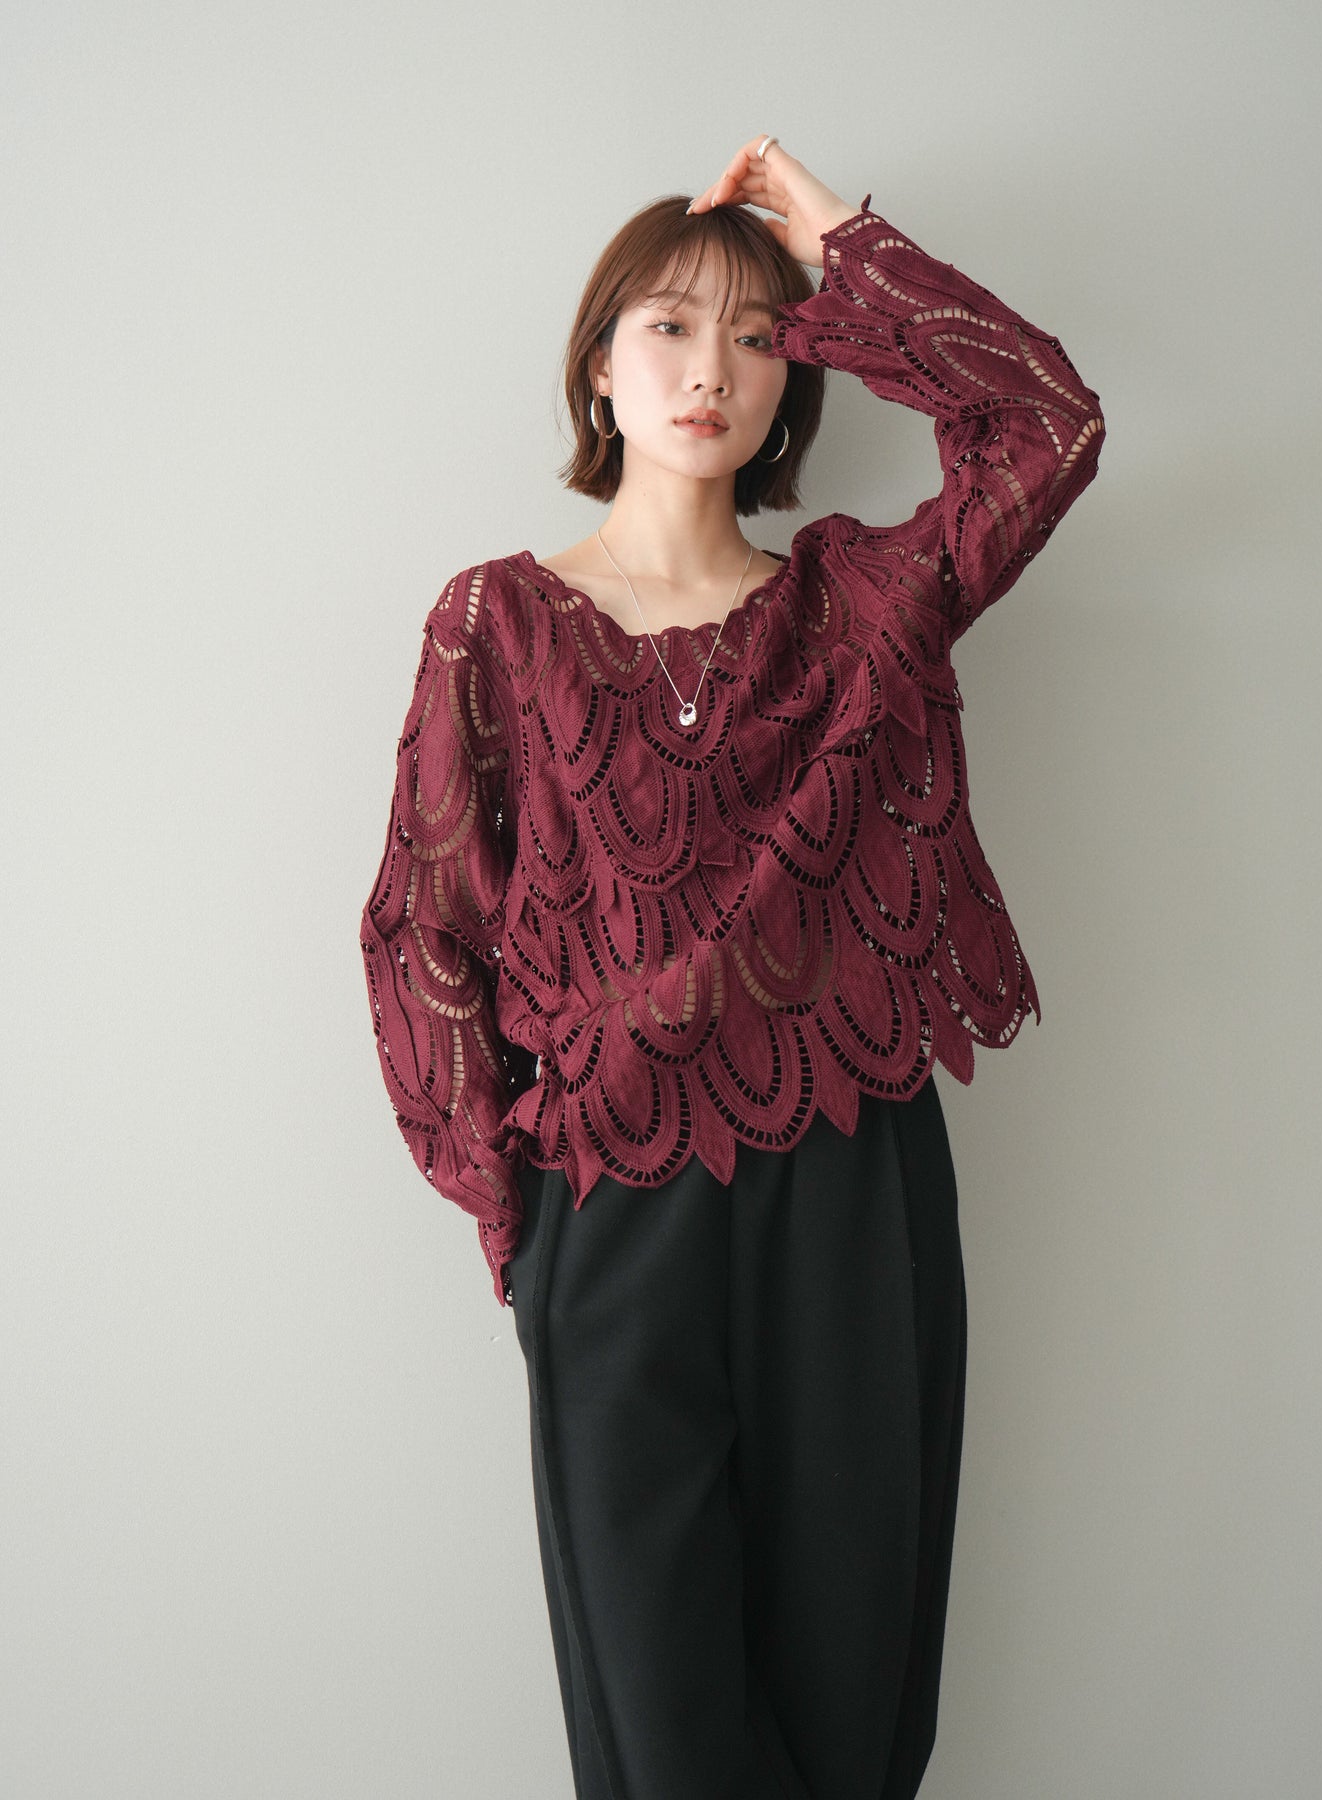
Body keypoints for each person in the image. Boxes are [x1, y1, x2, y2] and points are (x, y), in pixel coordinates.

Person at [358, 133, 1105, 1800]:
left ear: (797, 379)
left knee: (852, 1695)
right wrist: (513, 1211)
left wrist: (841, 244)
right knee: (659, 1727)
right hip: (605, 1198)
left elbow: (1044, 429)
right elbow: (423, 925)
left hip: (851, 1180)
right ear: (599, 369)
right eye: (668, 328)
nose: (711, 369)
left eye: (759, 336)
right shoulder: (496, 623)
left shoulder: (861, 608)